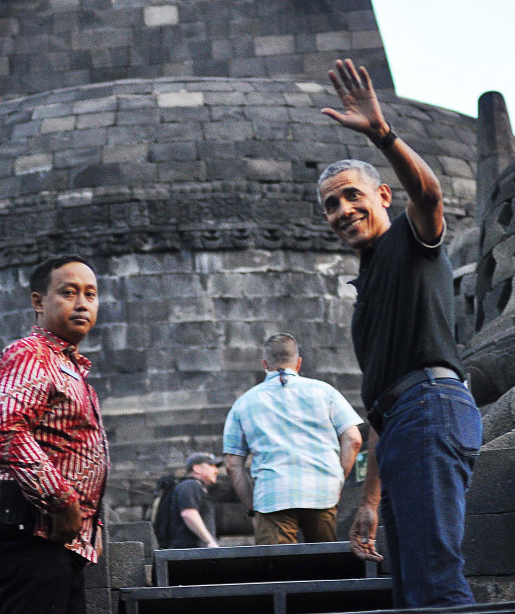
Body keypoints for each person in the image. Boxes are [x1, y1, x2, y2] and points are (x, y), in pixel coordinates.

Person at [316, 59, 483, 608]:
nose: (343, 211)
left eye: (351, 196)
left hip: (434, 407)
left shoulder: (411, 242)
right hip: (407, 421)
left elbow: (430, 195)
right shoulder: (368, 288)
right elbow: (385, 402)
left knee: (436, 580)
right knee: (411, 589)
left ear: (383, 196)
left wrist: (381, 133)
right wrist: (369, 496)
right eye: (331, 205)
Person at [0, 255, 110, 614]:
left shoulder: (70, 368)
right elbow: (6, 432)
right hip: (30, 532)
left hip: (58, 539)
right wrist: (61, 500)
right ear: (38, 301)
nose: (82, 304)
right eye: (69, 293)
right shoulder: (30, 355)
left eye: (90, 295)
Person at [222, 334, 363, 544]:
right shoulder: (325, 392)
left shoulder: (244, 403)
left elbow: (233, 464)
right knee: (328, 569)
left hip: (272, 497)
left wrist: (254, 506)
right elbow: (353, 440)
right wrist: (337, 480)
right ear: (298, 363)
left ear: (264, 364)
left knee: (279, 572)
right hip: (322, 493)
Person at [166, 452, 222, 548]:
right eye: (211, 465)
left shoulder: (195, 487)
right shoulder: (190, 485)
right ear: (197, 468)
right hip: (190, 553)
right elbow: (189, 514)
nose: (216, 471)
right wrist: (210, 542)